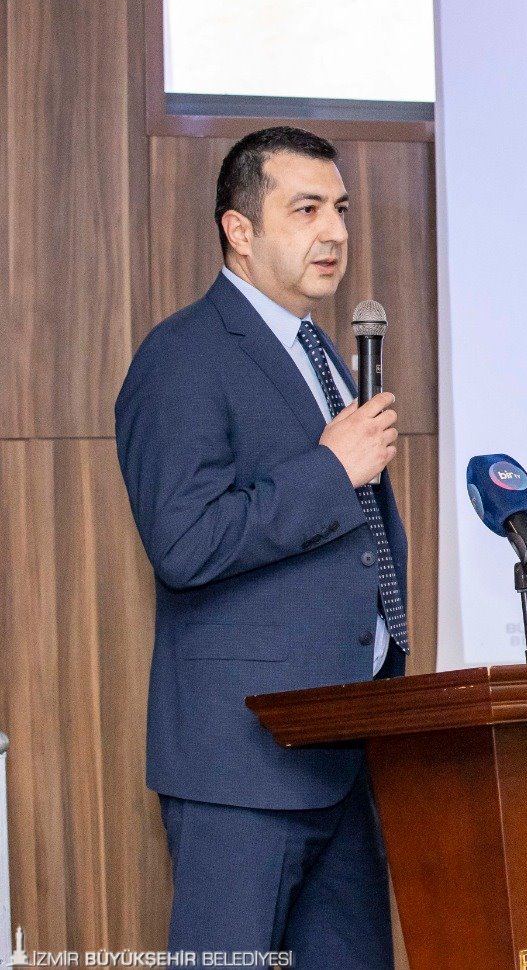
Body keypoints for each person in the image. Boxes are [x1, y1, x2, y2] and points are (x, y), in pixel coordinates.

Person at [115, 126, 408, 964]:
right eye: (306, 210)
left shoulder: (324, 355)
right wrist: (330, 470)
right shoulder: (184, 356)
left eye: (341, 209)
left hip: (343, 752)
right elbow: (185, 542)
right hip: (240, 769)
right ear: (239, 230)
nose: (335, 231)